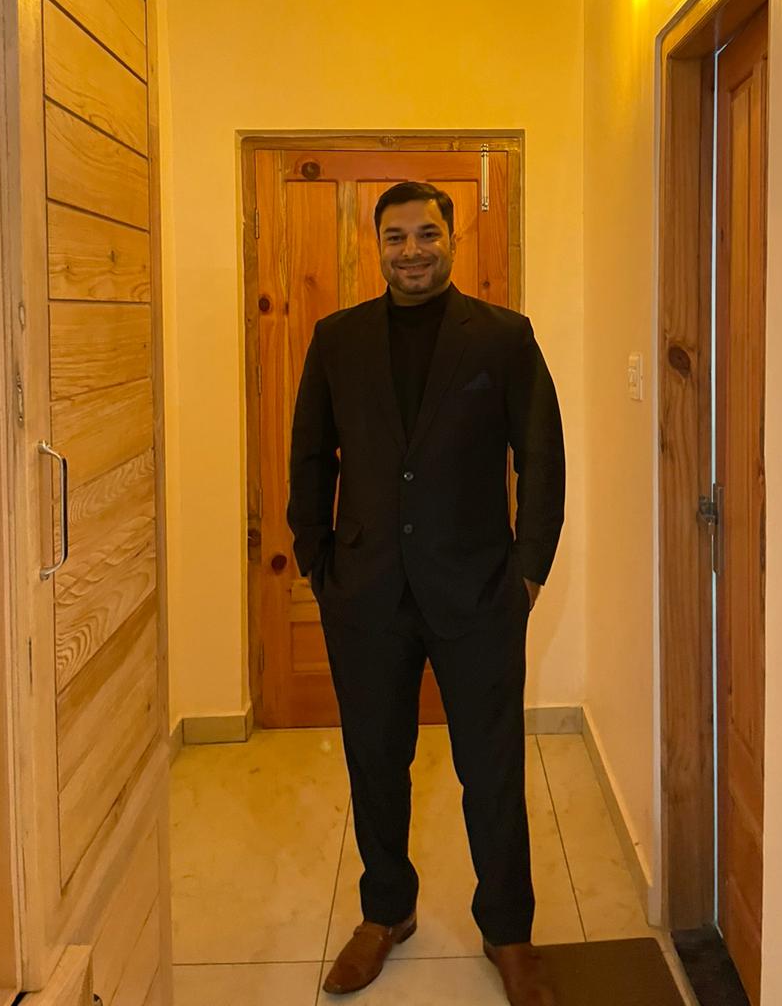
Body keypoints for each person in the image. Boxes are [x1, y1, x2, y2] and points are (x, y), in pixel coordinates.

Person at [288, 181, 565, 1006]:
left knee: (492, 767)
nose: (412, 250)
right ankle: (387, 912)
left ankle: (508, 930)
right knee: (376, 760)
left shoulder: (504, 338)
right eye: (396, 236)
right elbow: (310, 455)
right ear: (376, 245)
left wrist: (528, 571)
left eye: (427, 234)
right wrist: (317, 560)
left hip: (478, 590)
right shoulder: (336, 339)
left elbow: (541, 457)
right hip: (365, 592)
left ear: (452, 238)